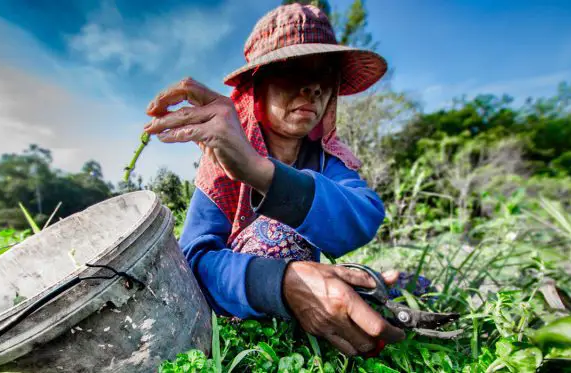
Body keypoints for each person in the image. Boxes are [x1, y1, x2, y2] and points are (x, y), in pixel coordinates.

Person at [143, 3, 409, 357]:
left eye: (323, 76)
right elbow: (195, 259)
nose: (312, 88)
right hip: (237, 313)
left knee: (400, 287)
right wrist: (283, 283)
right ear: (257, 88)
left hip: (297, 297)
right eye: (294, 71)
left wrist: (260, 172)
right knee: (274, 235)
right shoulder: (220, 161)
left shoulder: (327, 161)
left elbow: (364, 216)